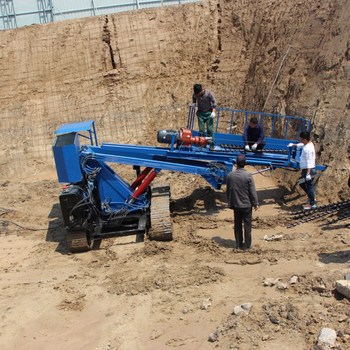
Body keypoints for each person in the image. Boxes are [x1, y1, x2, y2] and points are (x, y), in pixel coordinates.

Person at [226, 154, 259, 250]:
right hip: (246, 205)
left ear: (236, 164)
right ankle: (247, 246)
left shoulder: (230, 175)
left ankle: (238, 244)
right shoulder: (248, 175)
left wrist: (230, 202)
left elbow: (228, 190)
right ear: (245, 164)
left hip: (236, 204)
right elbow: (252, 191)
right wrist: (255, 203)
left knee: (237, 224)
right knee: (247, 225)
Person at [288, 131, 316, 210]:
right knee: (301, 183)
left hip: (308, 170)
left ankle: (312, 204)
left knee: (309, 186)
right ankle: (312, 198)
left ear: (304, 139)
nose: (299, 139)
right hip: (306, 170)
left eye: (301, 138)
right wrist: (294, 145)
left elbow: (309, 162)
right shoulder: (308, 144)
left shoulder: (308, 149)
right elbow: (301, 145)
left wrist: (308, 174)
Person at [192, 84, 217, 149]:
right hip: (200, 114)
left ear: (201, 90)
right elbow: (194, 99)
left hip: (208, 113)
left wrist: (213, 112)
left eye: (198, 93)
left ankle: (212, 145)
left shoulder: (208, 94)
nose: (197, 95)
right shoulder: (195, 94)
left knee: (210, 130)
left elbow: (214, 103)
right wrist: (194, 104)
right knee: (201, 130)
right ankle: (202, 143)